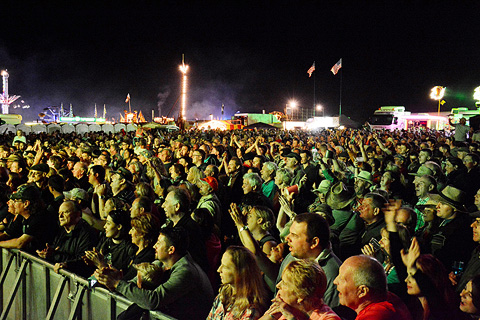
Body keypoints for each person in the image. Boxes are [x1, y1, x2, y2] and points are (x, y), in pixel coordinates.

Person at [95, 227, 214, 320]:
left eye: (158, 243)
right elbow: (132, 286)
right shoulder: (160, 263)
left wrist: (118, 284)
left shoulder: (186, 272)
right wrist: (113, 282)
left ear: (171, 250)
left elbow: (154, 300)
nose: (154, 246)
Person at [333, 255, 412, 320]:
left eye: (342, 279)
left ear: (362, 291)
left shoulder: (375, 315)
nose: (335, 281)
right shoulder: (386, 298)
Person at [401, 237, 461, 320]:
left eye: (413, 276)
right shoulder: (413, 307)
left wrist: (413, 269)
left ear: (430, 278)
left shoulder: (441, 309)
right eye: (408, 275)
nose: (406, 280)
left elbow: (430, 293)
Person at [260, 259, 340, 320]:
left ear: (301, 296)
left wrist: (290, 317)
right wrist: (271, 316)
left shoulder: (328, 318)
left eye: (284, 283)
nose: (278, 285)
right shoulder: (285, 307)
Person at [208, 246, 268, 320]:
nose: (219, 270)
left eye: (226, 267)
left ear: (241, 273)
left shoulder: (251, 310)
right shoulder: (223, 295)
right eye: (221, 264)